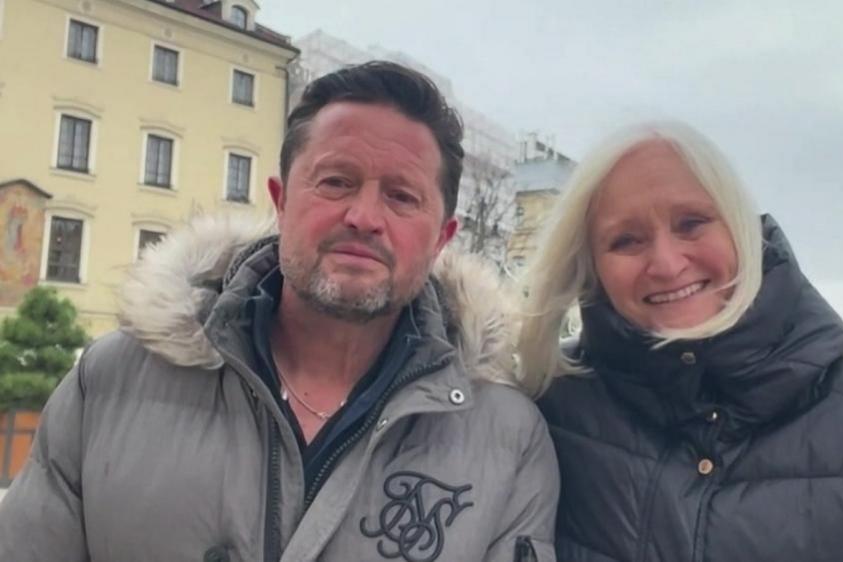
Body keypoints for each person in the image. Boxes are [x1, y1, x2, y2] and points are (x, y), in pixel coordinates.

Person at [0, 61, 557, 562]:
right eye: (336, 181)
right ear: (281, 200)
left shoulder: (507, 440)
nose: (363, 215)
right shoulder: (111, 381)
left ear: (442, 237)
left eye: (401, 196)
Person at [517, 122, 843, 561]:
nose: (665, 262)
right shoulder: (547, 407)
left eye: (691, 223)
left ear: (742, 229)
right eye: (626, 240)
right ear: (590, 265)